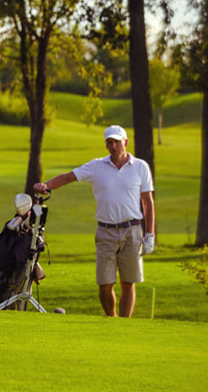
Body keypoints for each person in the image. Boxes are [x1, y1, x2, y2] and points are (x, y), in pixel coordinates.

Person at [33, 125, 155, 317]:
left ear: (126, 142)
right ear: (106, 144)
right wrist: (46, 186)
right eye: (109, 142)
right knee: (105, 284)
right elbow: (67, 178)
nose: (113, 146)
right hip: (106, 231)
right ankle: (111, 317)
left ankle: (124, 325)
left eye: (116, 141)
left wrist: (149, 235)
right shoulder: (97, 166)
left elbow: (147, 202)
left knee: (128, 282)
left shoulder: (140, 167)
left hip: (132, 230)